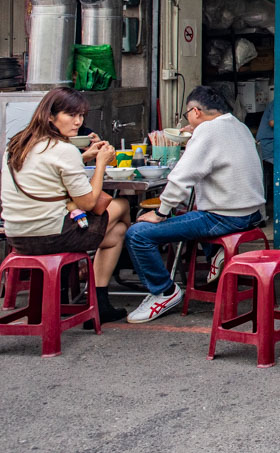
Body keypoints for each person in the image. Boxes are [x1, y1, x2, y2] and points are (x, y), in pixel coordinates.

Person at [124, 86, 266, 323]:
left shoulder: (208, 132)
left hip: (224, 218)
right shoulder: (238, 126)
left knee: (138, 234)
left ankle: (164, 292)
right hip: (252, 214)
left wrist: (160, 212)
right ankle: (216, 255)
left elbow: (182, 177)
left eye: (187, 114)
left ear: (196, 111)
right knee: (192, 211)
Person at [1, 87, 131, 323]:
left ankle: (98, 300)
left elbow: (47, 169)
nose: (78, 122)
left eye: (81, 116)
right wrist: (101, 162)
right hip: (52, 235)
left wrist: (84, 157)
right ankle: (123, 267)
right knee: (121, 206)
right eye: (71, 115)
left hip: (17, 235)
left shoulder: (17, 145)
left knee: (117, 233)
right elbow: (90, 202)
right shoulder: (64, 150)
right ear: (50, 116)